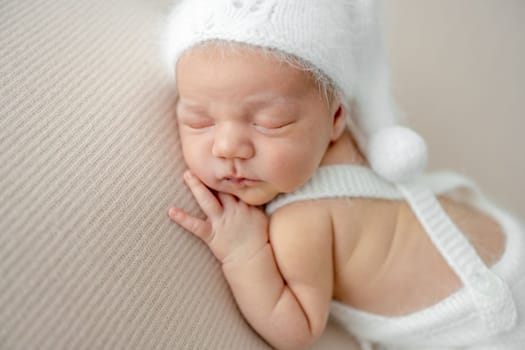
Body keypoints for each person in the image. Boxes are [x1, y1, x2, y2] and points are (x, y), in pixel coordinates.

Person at [164, 0, 525, 349]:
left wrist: (244, 253)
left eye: (270, 122)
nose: (228, 147)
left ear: (337, 118)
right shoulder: (362, 139)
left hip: (483, 324)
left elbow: (298, 329)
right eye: (199, 120)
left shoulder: (300, 221)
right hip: (501, 248)